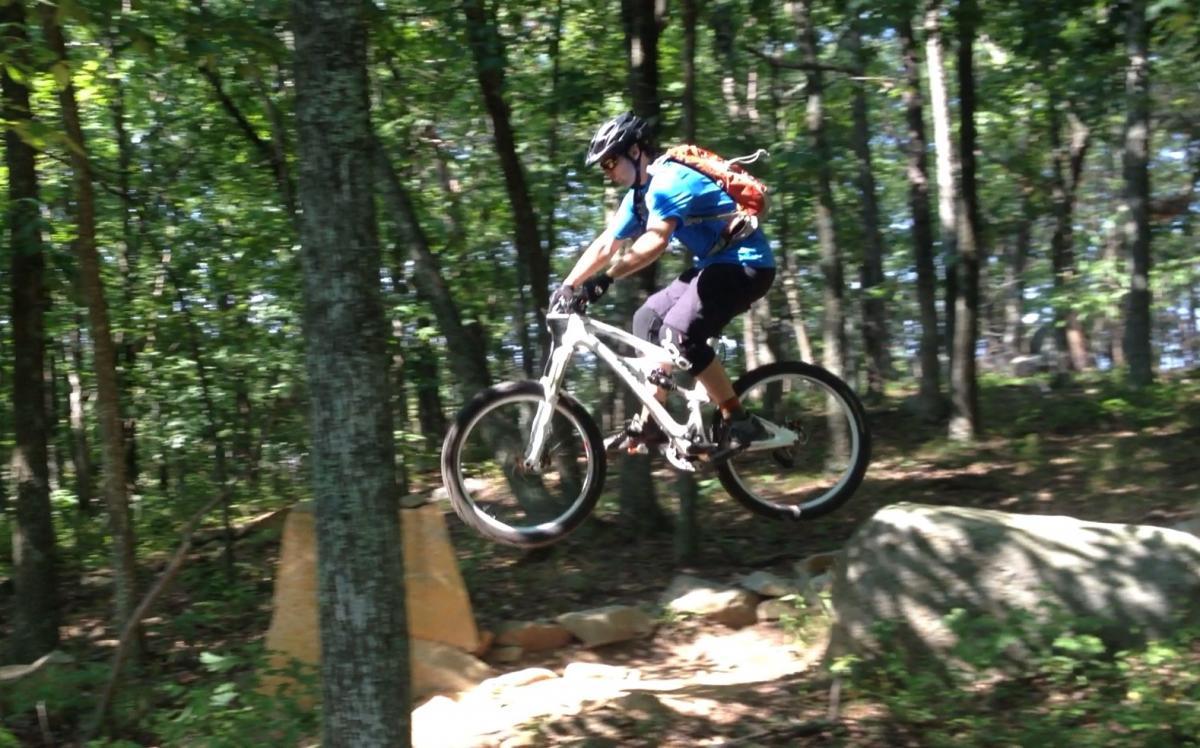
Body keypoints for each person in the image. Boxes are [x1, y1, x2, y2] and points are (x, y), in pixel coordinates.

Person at [550, 112, 776, 460]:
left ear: (636, 151)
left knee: (678, 336)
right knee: (647, 320)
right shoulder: (639, 195)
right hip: (713, 266)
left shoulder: (668, 182)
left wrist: (606, 279)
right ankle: (652, 421)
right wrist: (568, 286)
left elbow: (655, 242)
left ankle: (739, 419)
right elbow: (606, 244)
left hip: (747, 265)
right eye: (603, 166)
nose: (607, 171)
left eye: (611, 161)